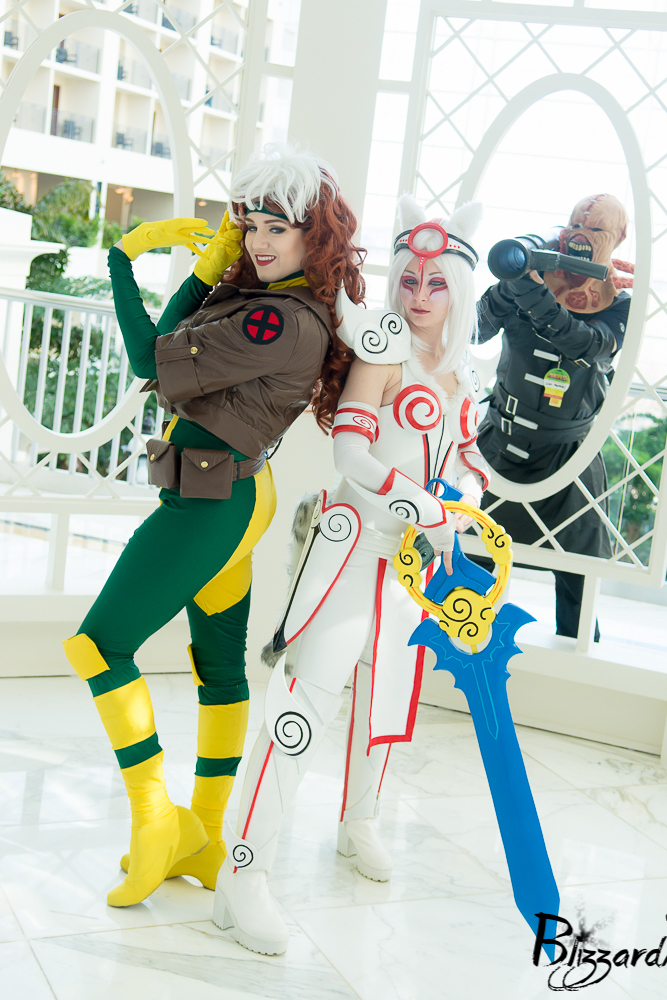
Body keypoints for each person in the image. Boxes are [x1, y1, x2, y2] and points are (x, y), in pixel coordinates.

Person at [61, 143, 364, 908]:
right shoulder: (268, 303)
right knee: (219, 670)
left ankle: (157, 822)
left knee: (98, 644)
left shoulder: (275, 319)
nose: (257, 241)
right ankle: (205, 833)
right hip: (227, 492)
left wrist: (124, 264)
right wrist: (209, 270)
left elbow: (146, 356)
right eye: (249, 224)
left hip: (213, 501)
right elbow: (172, 344)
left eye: (276, 228)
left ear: (313, 236)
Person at [214, 195, 491, 956]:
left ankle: (359, 822)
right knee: (303, 707)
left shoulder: (460, 372)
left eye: (438, 283)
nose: (420, 294)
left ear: (461, 290)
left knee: (388, 695)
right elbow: (351, 456)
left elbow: (466, 463)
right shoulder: (385, 348)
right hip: (352, 549)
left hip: (408, 568)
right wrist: (422, 506)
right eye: (411, 280)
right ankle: (243, 871)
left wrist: (459, 508)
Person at [475, 193, 633, 639]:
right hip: (499, 448)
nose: (582, 235)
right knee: (469, 568)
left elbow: (586, 345)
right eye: (575, 225)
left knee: (578, 582)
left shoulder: (619, 300)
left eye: (596, 229)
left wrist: (531, 292)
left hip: (571, 460)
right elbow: (472, 329)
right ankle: (452, 659)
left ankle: (578, 673)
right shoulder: (530, 276)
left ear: (619, 237)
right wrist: (514, 279)